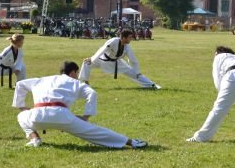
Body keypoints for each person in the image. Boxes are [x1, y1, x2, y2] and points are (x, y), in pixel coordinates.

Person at [12, 61, 147, 148]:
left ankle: (35, 139)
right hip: (62, 116)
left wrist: (22, 107)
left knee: (22, 116)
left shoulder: (41, 80)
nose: (77, 76)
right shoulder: (75, 82)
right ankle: (131, 142)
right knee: (95, 132)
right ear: (72, 73)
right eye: (77, 73)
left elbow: (20, 84)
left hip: (37, 116)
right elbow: (92, 94)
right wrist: (86, 117)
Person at [186, 46, 235, 142]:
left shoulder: (219, 57)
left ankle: (201, 137)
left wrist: (223, 94)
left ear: (217, 53)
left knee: (219, 108)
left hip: (233, 76)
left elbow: (217, 78)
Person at [78, 29, 160, 89]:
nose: (131, 39)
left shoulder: (127, 47)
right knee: (86, 63)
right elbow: (102, 49)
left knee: (135, 74)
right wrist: (92, 59)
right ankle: (85, 83)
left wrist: (137, 71)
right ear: (123, 38)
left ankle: (152, 85)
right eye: (130, 37)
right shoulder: (113, 41)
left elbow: (133, 60)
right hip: (103, 60)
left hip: (117, 63)